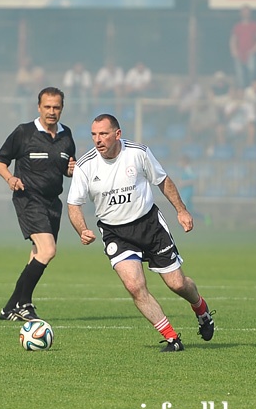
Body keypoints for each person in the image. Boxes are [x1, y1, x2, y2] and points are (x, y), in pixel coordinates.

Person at [66, 114, 215, 352]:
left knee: (177, 284)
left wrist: (182, 210)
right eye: (94, 134)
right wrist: (82, 229)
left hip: (149, 225)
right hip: (115, 233)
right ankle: (172, 339)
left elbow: (163, 180)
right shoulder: (85, 165)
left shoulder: (138, 153)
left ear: (117, 134)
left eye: (103, 134)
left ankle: (201, 309)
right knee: (135, 286)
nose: (97, 140)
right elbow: (74, 204)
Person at [0, 86, 76, 321]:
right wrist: (10, 178)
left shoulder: (66, 135)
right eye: (47, 106)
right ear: (39, 107)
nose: (51, 111)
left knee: (38, 255)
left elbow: (67, 167)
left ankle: (9, 307)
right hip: (29, 199)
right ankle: (24, 303)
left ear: (62, 109)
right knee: (48, 250)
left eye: (56, 107)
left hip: (53, 203)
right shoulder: (24, 132)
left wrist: (71, 170)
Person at [229, 4, 256, 88]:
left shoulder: (255, 25)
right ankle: (242, 91)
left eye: (247, 12)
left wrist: (254, 50)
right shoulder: (237, 26)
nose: (246, 14)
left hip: (250, 54)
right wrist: (234, 51)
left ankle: (251, 90)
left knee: (252, 72)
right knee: (239, 74)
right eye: (244, 12)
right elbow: (233, 39)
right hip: (239, 53)